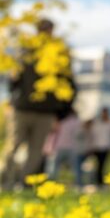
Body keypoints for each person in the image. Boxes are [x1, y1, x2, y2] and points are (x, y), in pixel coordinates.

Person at [0, 18, 76, 190]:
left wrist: (60, 114)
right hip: (22, 108)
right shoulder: (26, 50)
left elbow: (69, 85)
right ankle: (4, 181)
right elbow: (14, 80)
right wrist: (11, 102)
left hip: (46, 112)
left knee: (36, 150)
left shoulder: (60, 53)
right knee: (13, 145)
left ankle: (26, 184)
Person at [47, 108, 85, 187]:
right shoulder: (77, 122)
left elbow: (54, 134)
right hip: (72, 147)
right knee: (76, 167)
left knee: (54, 167)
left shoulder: (62, 122)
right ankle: (78, 184)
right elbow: (80, 134)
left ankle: (51, 182)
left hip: (59, 147)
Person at [87, 107, 110, 187]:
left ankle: (99, 182)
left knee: (102, 165)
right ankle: (96, 181)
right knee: (96, 165)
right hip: (96, 147)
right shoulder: (97, 124)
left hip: (106, 148)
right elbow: (92, 135)